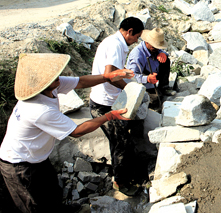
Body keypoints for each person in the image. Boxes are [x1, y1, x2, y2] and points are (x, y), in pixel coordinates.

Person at [0, 53, 133, 213]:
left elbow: (81, 82)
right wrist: (109, 116)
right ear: (42, 82)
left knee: (53, 190)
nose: (59, 76)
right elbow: (77, 131)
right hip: (19, 165)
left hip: (37, 157)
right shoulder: (39, 110)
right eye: (53, 76)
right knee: (34, 204)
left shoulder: (50, 86)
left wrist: (107, 76)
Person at [89, 17, 144, 196]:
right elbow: (109, 75)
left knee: (121, 139)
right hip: (102, 105)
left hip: (110, 101)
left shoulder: (116, 43)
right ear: (129, 32)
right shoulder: (114, 45)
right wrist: (129, 88)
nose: (137, 40)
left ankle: (127, 174)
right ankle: (120, 183)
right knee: (122, 142)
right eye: (137, 36)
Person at [126, 28, 171, 104]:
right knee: (155, 99)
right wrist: (147, 79)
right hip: (141, 82)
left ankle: (163, 87)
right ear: (147, 42)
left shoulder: (154, 49)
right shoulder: (137, 55)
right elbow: (131, 77)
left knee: (165, 60)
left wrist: (162, 53)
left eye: (158, 47)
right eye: (154, 47)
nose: (157, 49)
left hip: (153, 75)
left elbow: (160, 51)